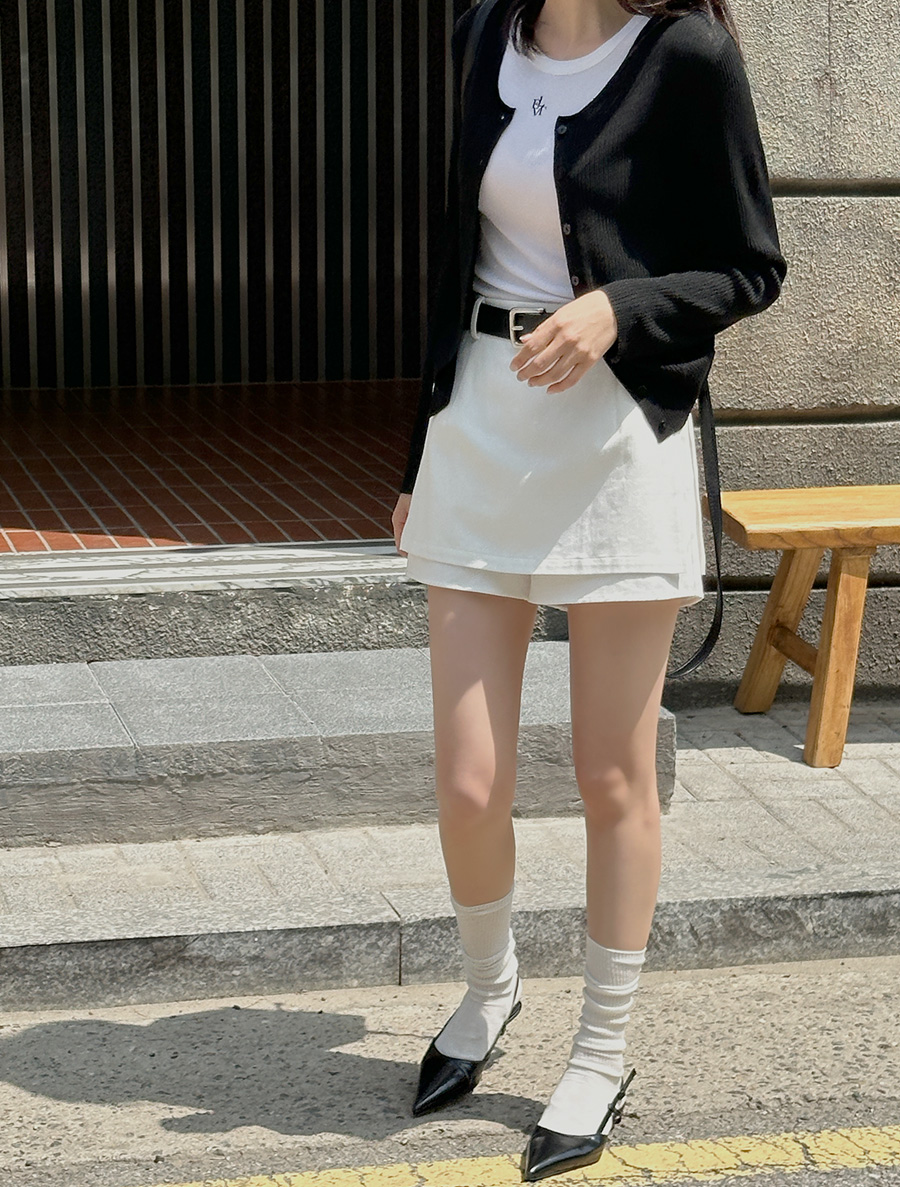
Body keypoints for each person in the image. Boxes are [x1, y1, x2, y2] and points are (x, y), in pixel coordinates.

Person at [391, 0, 786, 1181]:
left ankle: (602, 1048)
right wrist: (416, 456)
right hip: (478, 423)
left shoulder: (685, 58)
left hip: (613, 441)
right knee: (467, 778)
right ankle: (489, 987)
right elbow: (450, 256)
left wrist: (622, 307)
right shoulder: (481, 35)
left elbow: (750, 265)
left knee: (613, 773)